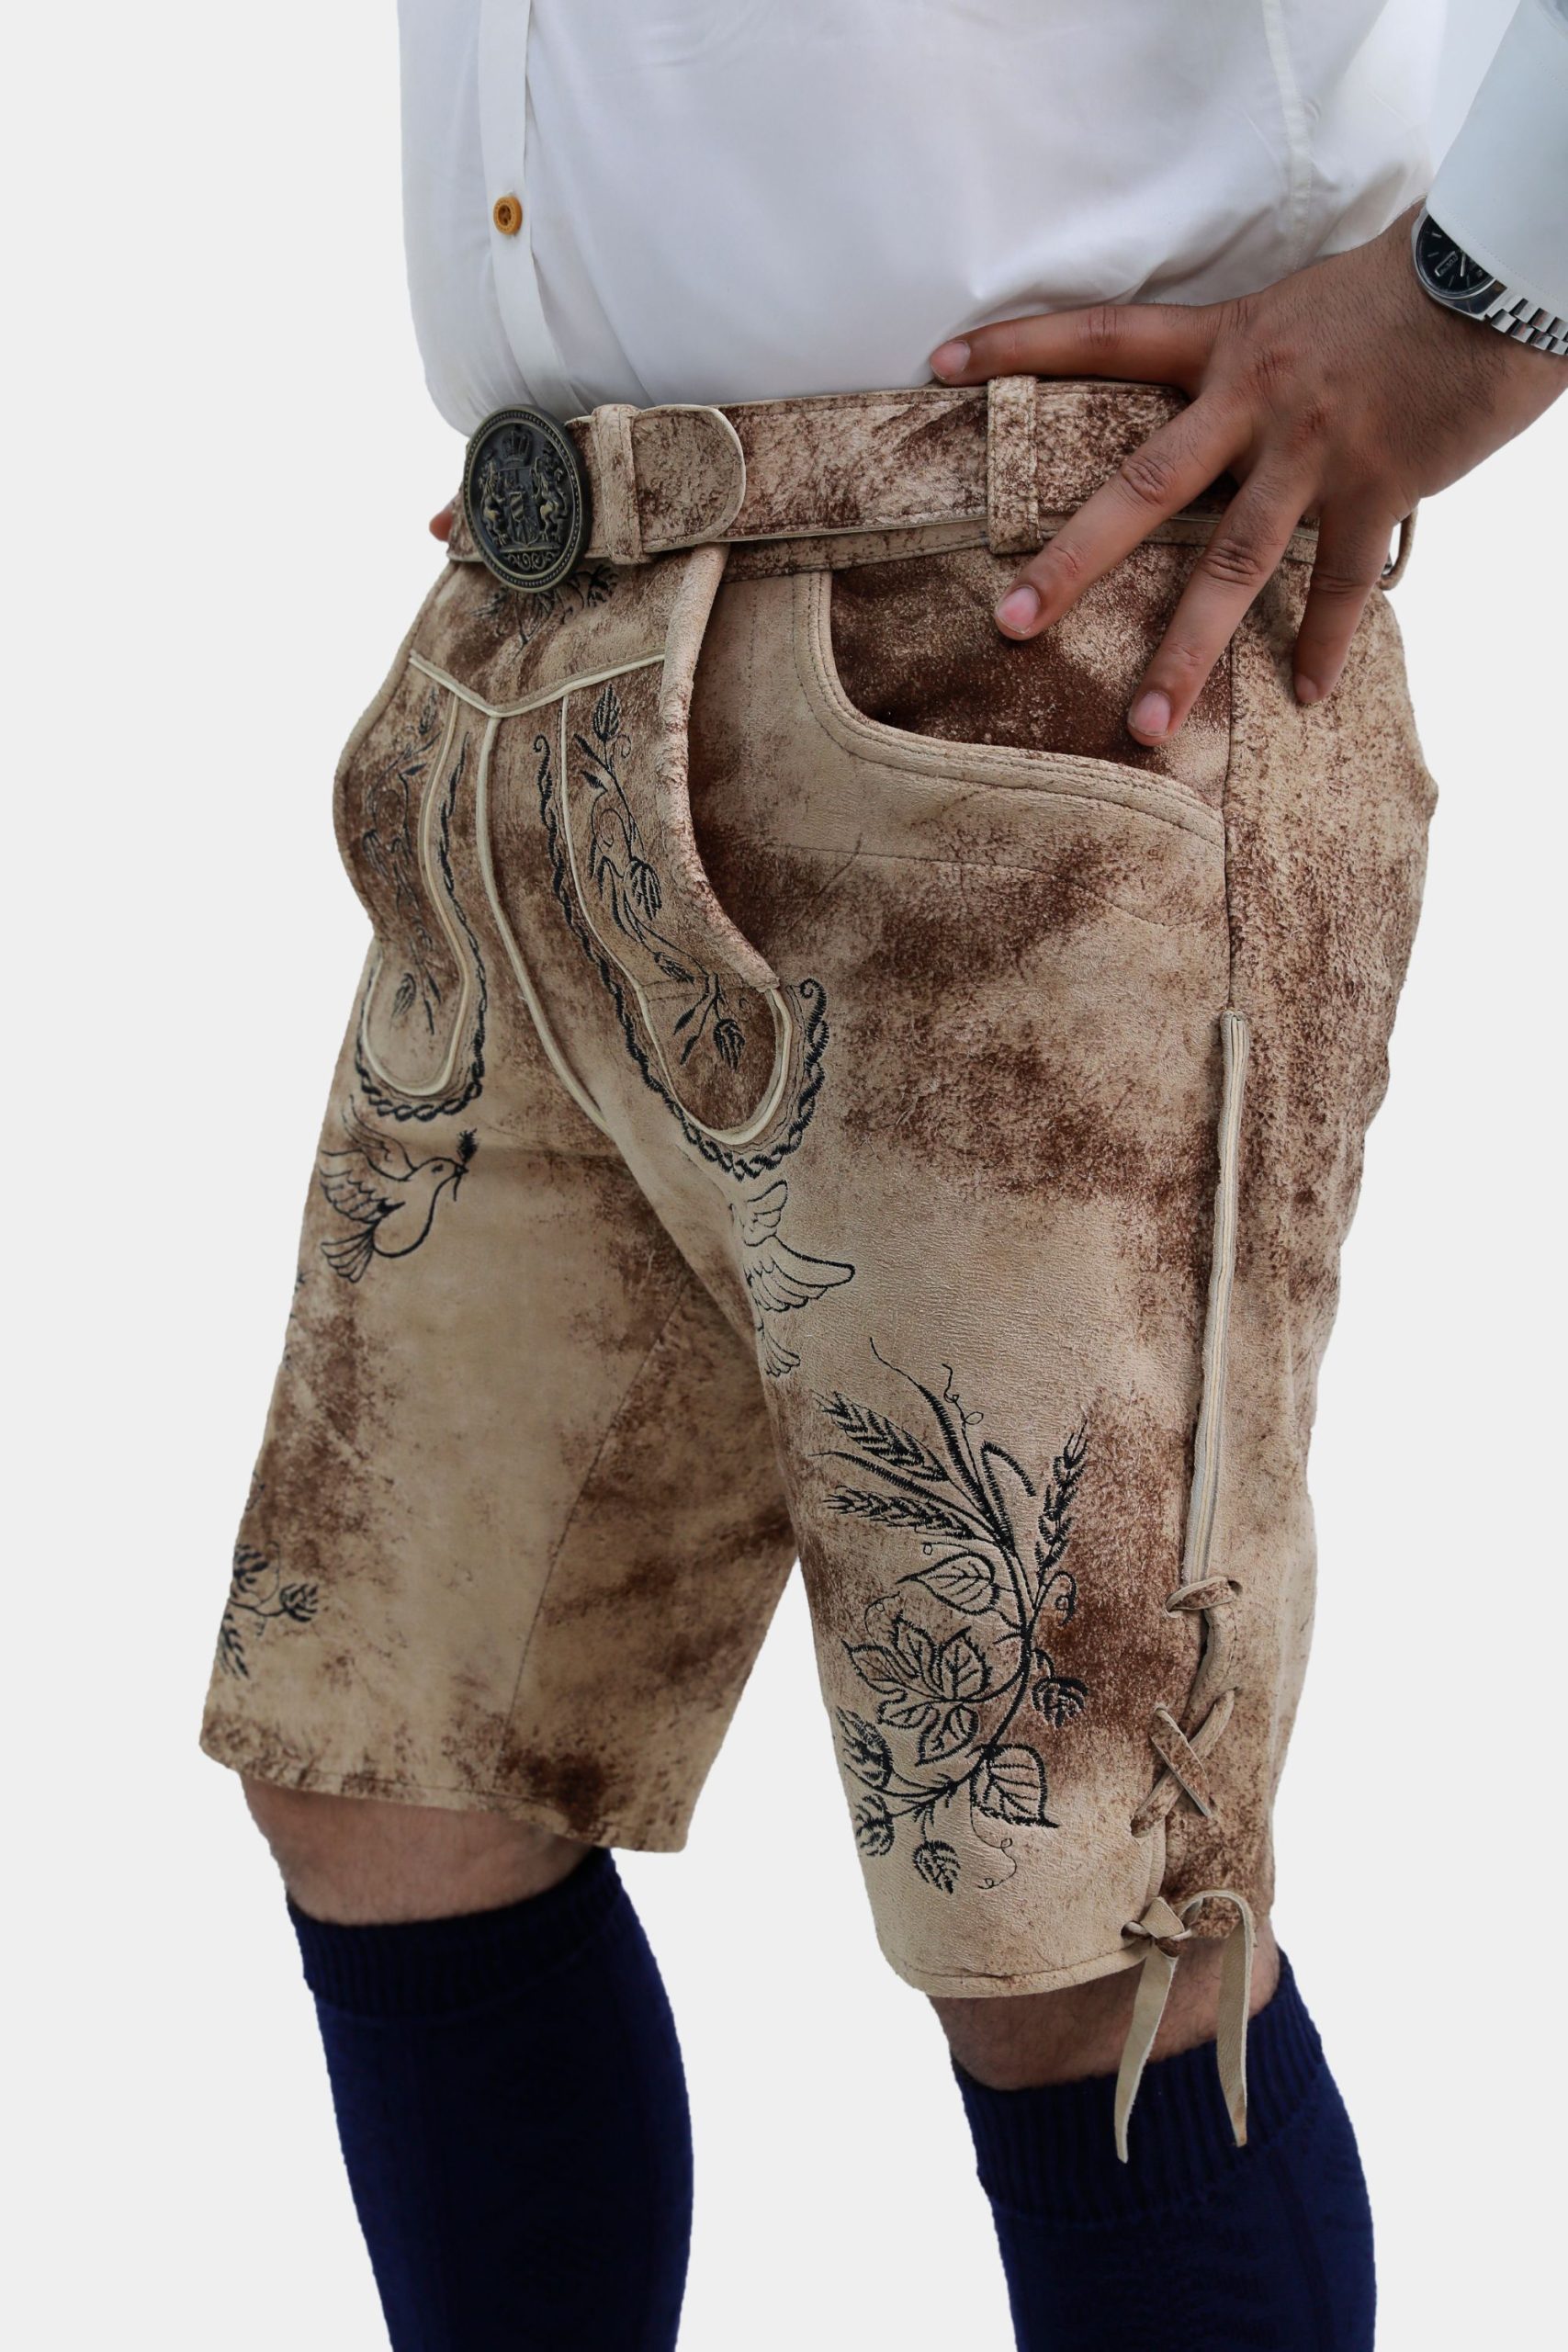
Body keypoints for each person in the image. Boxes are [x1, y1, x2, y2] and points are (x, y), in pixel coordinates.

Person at [199, 6, 1567, 2346]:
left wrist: (1490, 295)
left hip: (1036, 645)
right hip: (551, 644)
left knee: (1075, 1924)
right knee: (392, 1772)